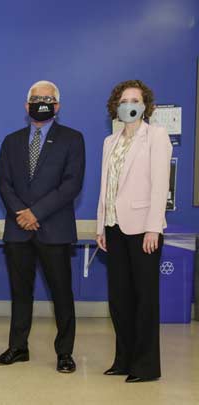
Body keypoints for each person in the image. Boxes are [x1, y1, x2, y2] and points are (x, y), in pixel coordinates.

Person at [0, 80, 85, 373]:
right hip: (18, 229)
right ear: (26, 105)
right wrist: (22, 213)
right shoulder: (11, 141)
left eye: (47, 98)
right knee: (21, 294)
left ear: (57, 106)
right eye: (36, 98)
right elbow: (5, 184)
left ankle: (65, 353)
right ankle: (18, 347)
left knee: (61, 293)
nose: (41, 102)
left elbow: (71, 184)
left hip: (54, 229)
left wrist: (36, 212)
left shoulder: (73, 139)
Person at [96, 80, 172, 383]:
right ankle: (123, 360)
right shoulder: (110, 141)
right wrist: (102, 225)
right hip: (114, 227)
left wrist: (154, 227)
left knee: (144, 299)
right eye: (124, 99)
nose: (130, 104)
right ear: (116, 106)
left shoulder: (156, 136)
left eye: (135, 99)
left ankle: (146, 367)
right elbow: (106, 188)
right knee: (120, 299)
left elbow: (159, 186)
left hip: (143, 229)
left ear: (145, 106)